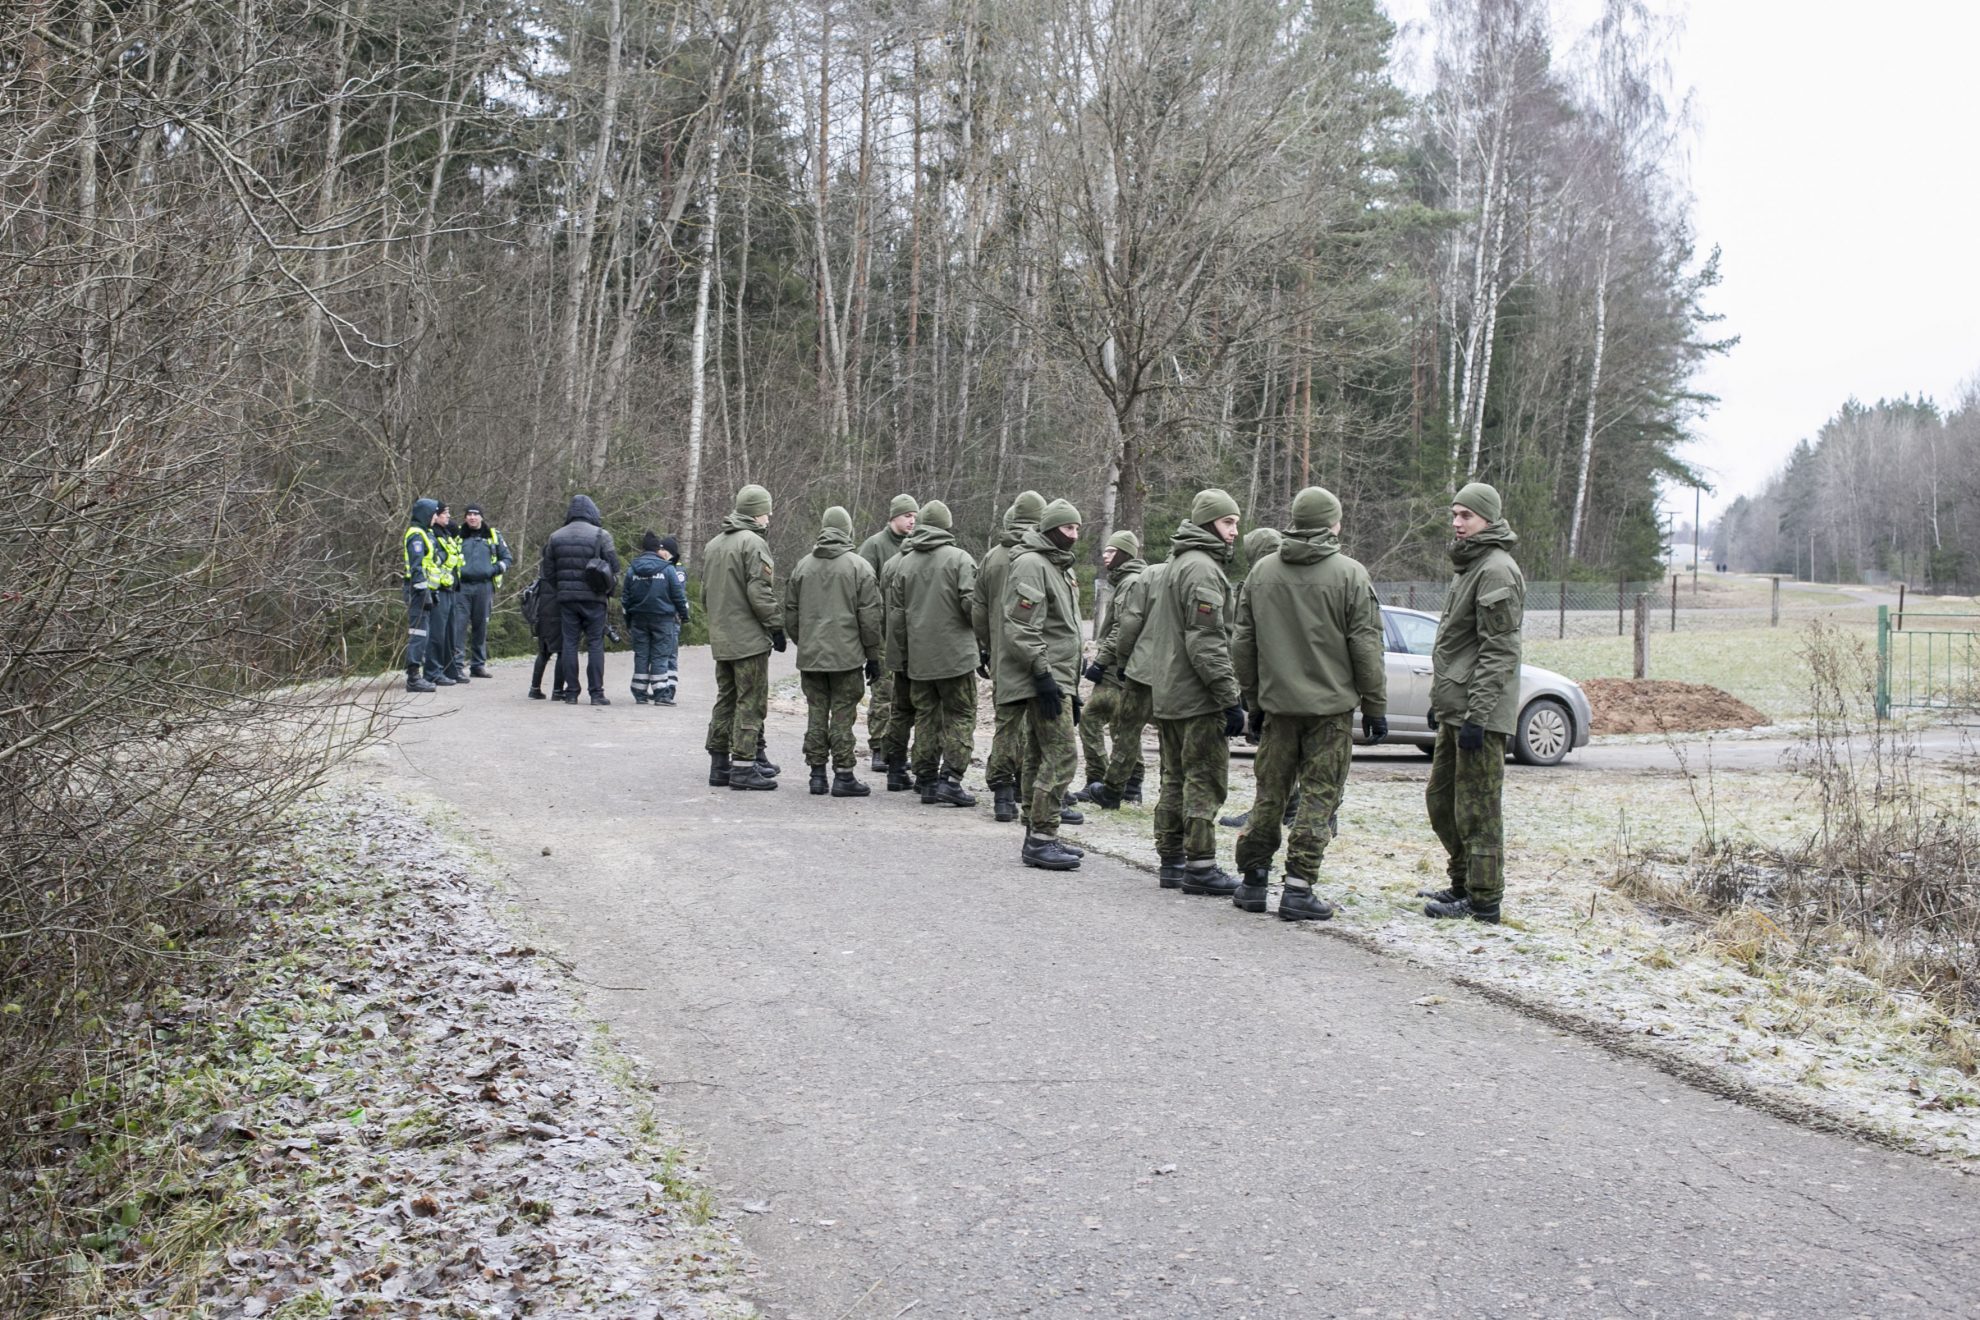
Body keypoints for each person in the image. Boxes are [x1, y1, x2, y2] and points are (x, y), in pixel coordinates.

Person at [1230, 487, 1387, 921]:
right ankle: (1298, 888)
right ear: (1333, 524)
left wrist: (1253, 700)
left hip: (1278, 707)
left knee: (1269, 795)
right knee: (1319, 798)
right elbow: (1366, 645)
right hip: (1330, 712)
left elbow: (1243, 642)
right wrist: (1375, 705)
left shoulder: (1262, 572)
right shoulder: (1351, 574)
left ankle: (1253, 880)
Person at [1129, 488, 1246, 896]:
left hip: (1171, 691)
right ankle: (1200, 864)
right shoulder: (1201, 569)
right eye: (1228, 522)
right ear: (1208, 523)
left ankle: (1172, 860)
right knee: (1203, 778)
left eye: (1235, 523)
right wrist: (1229, 696)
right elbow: (1206, 641)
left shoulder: (1177, 563)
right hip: (1196, 696)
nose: (1234, 531)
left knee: (1174, 778)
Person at [1421, 482, 1525, 924]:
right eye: (1455, 515)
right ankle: (1462, 880)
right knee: (1442, 800)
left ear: (1488, 518)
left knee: (1478, 808)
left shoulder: (1496, 569)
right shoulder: (1470, 566)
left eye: (1466, 516)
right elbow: (1457, 647)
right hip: (1456, 708)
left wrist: (1477, 716)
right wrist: (1442, 702)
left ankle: (1484, 899)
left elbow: (1499, 650)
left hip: (1479, 714)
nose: (1458, 524)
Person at [1005, 499, 1087, 870]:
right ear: (1052, 529)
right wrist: (1043, 675)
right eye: (1068, 528)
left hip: (1060, 677)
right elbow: (1022, 625)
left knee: (1039, 755)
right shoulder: (1032, 564)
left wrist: (1071, 687)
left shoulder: (1057, 566)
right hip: (1044, 677)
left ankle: (1037, 834)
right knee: (1062, 755)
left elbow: (1063, 629)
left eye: (1077, 529)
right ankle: (1042, 838)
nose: (1074, 535)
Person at [887, 499, 980, 807]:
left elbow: (897, 617)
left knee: (927, 716)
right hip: (956, 656)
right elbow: (972, 606)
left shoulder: (904, 562)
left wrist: (900, 657)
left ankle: (926, 780)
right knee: (961, 715)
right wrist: (984, 639)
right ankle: (951, 779)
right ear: (947, 525)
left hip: (919, 658)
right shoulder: (960, 559)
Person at [784, 507, 882, 796]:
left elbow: (790, 612)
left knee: (816, 712)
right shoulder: (859, 567)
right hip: (847, 657)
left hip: (812, 656)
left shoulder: (802, 566)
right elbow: (870, 617)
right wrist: (873, 654)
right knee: (842, 714)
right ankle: (843, 774)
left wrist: (805, 642)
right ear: (848, 531)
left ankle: (816, 774)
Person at [703, 484, 783, 790]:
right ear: (756, 513)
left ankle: (719, 765)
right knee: (750, 701)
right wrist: (775, 626)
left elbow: (706, 594)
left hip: (722, 638)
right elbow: (759, 591)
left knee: (725, 700)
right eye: (766, 511)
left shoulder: (714, 545)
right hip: (748, 639)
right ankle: (744, 767)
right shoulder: (753, 544)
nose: (769, 517)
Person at [975, 490, 1046, 822]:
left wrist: (986, 647)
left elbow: (978, 608)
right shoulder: (1043, 556)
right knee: (1040, 725)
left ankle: (1003, 795)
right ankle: (1028, 790)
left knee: (1007, 724)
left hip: (1003, 654)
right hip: (1038, 652)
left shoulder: (993, 557)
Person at [1077, 530, 1145, 807]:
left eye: (1111, 551)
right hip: (1122, 665)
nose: (1105, 556)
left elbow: (1122, 627)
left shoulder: (1130, 583)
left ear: (1125, 554)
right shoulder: (1128, 580)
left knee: (1091, 718)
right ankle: (1131, 783)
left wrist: (1101, 661)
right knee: (1121, 723)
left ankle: (1100, 778)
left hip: (1117, 666)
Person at [859, 495, 919, 770]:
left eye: (915, 516)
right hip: (883, 632)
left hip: (909, 633)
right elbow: (861, 587)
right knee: (883, 691)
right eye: (907, 515)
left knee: (908, 695)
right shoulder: (874, 546)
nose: (911, 521)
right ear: (893, 517)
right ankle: (878, 748)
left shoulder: (917, 546)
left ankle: (900, 749)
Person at [540, 494, 618, 705]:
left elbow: (548, 572)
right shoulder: (602, 535)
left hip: (566, 599)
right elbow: (615, 566)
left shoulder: (555, 536)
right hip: (595, 598)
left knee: (569, 643)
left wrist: (562, 587)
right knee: (595, 644)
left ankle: (571, 692)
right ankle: (596, 693)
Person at [624, 532, 689, 705]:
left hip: (638, 618)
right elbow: (678, 595)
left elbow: (626, 597)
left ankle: (639, 692)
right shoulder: (667, 569)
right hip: (663, 618)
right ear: (657, 549)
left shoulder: (633, 569)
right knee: (661, 655)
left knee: (642, 655)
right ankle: (661, 693)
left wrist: (628, 618)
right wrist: (684, 614)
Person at [457, 505, 513, 679]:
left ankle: (478, 665)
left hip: (484, 587)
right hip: (461, 587)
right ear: (465, 517)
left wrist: (493, 570)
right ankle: (456, 665)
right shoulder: (457, 535)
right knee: (458, 627)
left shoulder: (493, 535)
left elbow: (507, 558)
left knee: (480, 626)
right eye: (469, 515)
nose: (472, 518)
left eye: (475, 514)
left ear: (481, 517)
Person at [401, 497, 442, 693]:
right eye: (434, 513)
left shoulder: (425, 533)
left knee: (423, 634)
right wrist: (424, 590)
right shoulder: (416, 535)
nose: (435, 517)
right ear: (426, 514)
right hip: (417, 591)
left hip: (423, 591)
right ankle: (413, 677)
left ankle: (417, 674)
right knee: (418, 634)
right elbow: (417, 566)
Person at [422, 503, 465, 686]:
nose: (449, 517)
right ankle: (433, 672)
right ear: (435, 515)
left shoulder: (447, 534)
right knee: (437, 635)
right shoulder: (431, 536)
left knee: (449, 634)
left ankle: (449, 669)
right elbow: (434, 561)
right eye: (445, 513)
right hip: (437, 590)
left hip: (450, 589)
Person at [525, 569, 570, 700]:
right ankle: (557, 691)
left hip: (543, 614)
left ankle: (534, 688)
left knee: (543, 652)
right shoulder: (562, 571)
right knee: (562, 651)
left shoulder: (544, 571)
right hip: (558, 614)